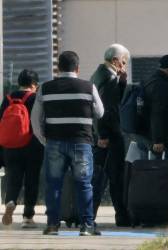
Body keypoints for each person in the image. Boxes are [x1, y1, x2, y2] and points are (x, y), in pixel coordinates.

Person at [31, 51, 104, 236]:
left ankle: (53, 225)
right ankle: (87, 225)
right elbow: (100, 112)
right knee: (84, 184)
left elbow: (35, 119)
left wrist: (44, 139)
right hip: (81, 142)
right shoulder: (88, 87)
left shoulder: (45, 88)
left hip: (54, 142)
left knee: (54, 184)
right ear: (77, 68)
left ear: (58, 68)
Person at [90, 44, 131, 226]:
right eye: (124, 61)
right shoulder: (108, 78)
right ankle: (121, 216)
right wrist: (104, 135)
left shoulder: (99, 75)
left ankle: (89, 215)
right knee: (115, 178)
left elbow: (111, 101)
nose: (125, 65)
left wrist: (122, 83)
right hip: (110, 136)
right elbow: (106, 109)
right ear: (115, 60)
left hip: (102, 135)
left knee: (100, 177)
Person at [0, 69, 44, 228]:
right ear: (34, 85)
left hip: (10, 146)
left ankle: (10, 201)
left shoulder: (7, 99)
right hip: (32, 145)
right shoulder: (35, 98)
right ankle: (28, 217)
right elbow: (40, 121)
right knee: (32, 180)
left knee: (13, 178)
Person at [139, 54, 168, 160]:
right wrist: (158, 140)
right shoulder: (162, 86)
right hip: (159, 142)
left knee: (149, 169)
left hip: (146, 135)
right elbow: (157, 113)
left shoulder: (150, 81)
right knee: (160, 171)